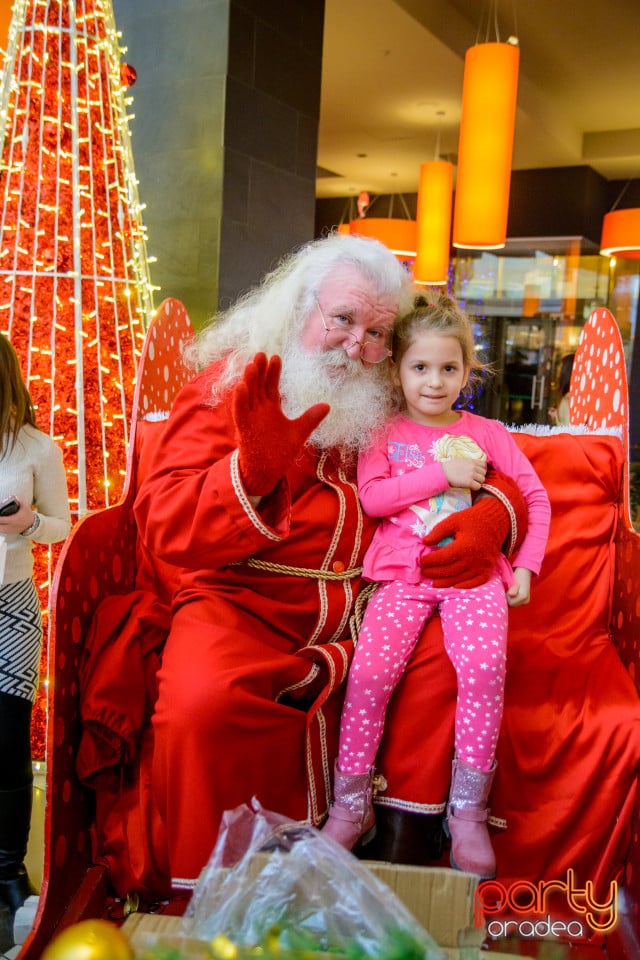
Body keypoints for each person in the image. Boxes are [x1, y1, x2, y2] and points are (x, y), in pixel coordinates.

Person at [133, 234, 528, 890]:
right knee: (201, 703)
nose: (358, 347)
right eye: (343, 320)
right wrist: (249, 475)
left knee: (449, 670)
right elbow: (164, 520)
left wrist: (495, 514)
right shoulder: (231, 384)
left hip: (370, 603)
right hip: (242, 605)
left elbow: (477, 453)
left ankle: (405, 870)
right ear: (298, 309)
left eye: (378, 333)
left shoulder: (392, 395)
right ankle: (214, 899)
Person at [321, 294, 551, 879]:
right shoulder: (383, 432)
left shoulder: (487, 432)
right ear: (397, 368)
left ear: (467, 372)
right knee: (371, 673)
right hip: (403, 572)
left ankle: (469, 810)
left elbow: (535, 498)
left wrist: (525, 566)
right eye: (420, 367)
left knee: (482, 670)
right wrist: (439, 475)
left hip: (473, 579)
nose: (434, 381)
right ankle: (350, 805)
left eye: (449, 368)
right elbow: (372, 498)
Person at [0, 335, 71, 918]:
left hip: (11, 608)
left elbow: (61, 527)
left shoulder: (35, 449)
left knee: (6, 741)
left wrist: (25, 524)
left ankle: (6, 868)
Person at [548, 352, 575, 425]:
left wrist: (556, 416)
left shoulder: (566, 400)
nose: (557, 373)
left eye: (560, 369)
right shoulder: (573, 397)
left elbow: (567, 431)